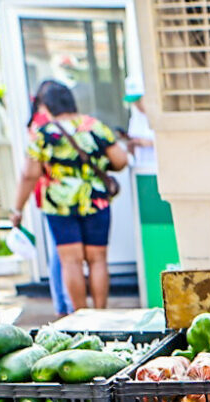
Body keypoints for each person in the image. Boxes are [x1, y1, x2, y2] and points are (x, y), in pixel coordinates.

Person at [11, 81, 128, 310]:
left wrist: (17, 208)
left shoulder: (44, 134)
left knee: (70, 261)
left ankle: (80, 316)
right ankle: (101, 315)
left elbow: (29, 174)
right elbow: (121, 160)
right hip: (95, 200)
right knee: (98, 259)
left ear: (47, 106)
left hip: (59, 204)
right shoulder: (94, 126)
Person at [23, 80, 75, 316]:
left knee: (62, 253)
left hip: (54, 196)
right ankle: (65, 305)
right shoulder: (45, 125)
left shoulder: (38, 124)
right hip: (58, 196)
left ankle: (65, 304)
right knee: (62, 254)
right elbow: (34, 168)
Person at [125, 76, 158, 175]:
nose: (137, 105)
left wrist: (147, 143)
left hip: (158, 168)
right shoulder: (135, 118)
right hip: (141, 169)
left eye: (139, 100)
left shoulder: (158, 116)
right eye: (134, 102)